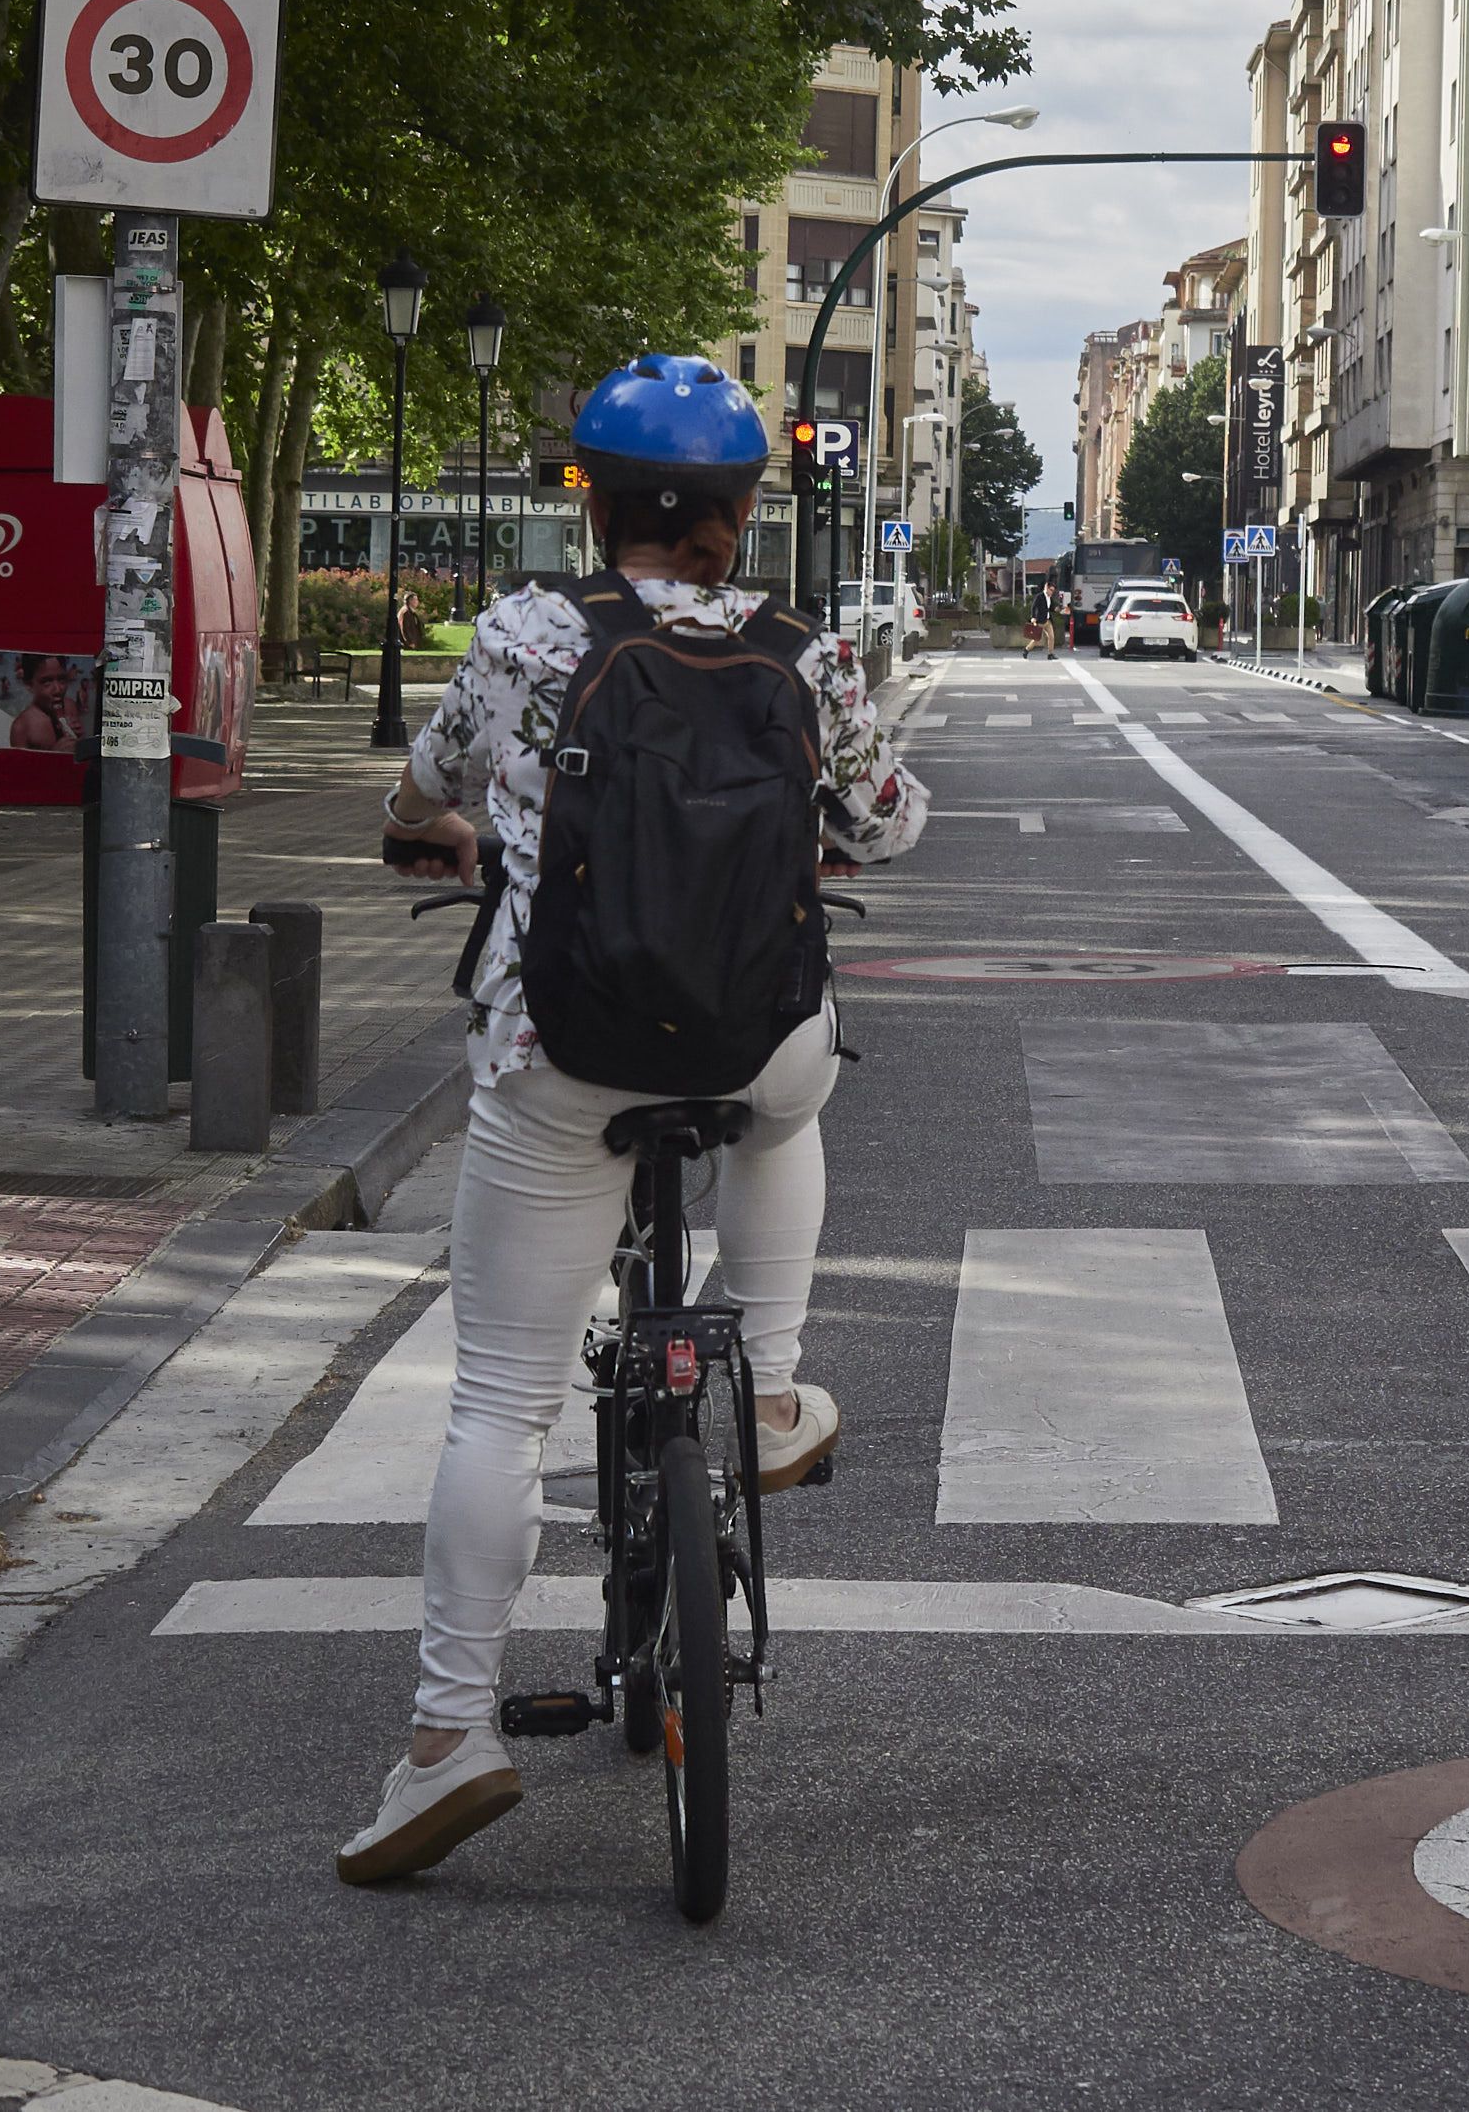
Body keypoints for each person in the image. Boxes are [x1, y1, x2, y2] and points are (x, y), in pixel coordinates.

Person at [338, 354, 926, 1885]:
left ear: (590, 498)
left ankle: (446, 1739)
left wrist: (434, 829)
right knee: (791, 1102)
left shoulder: (531, 634)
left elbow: (425, 786)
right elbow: (883, 818)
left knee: (500, 1404)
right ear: (744, 510)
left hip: (565, 1046)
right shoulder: (812, 650)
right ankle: (776, 1387)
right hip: (753, 1033)